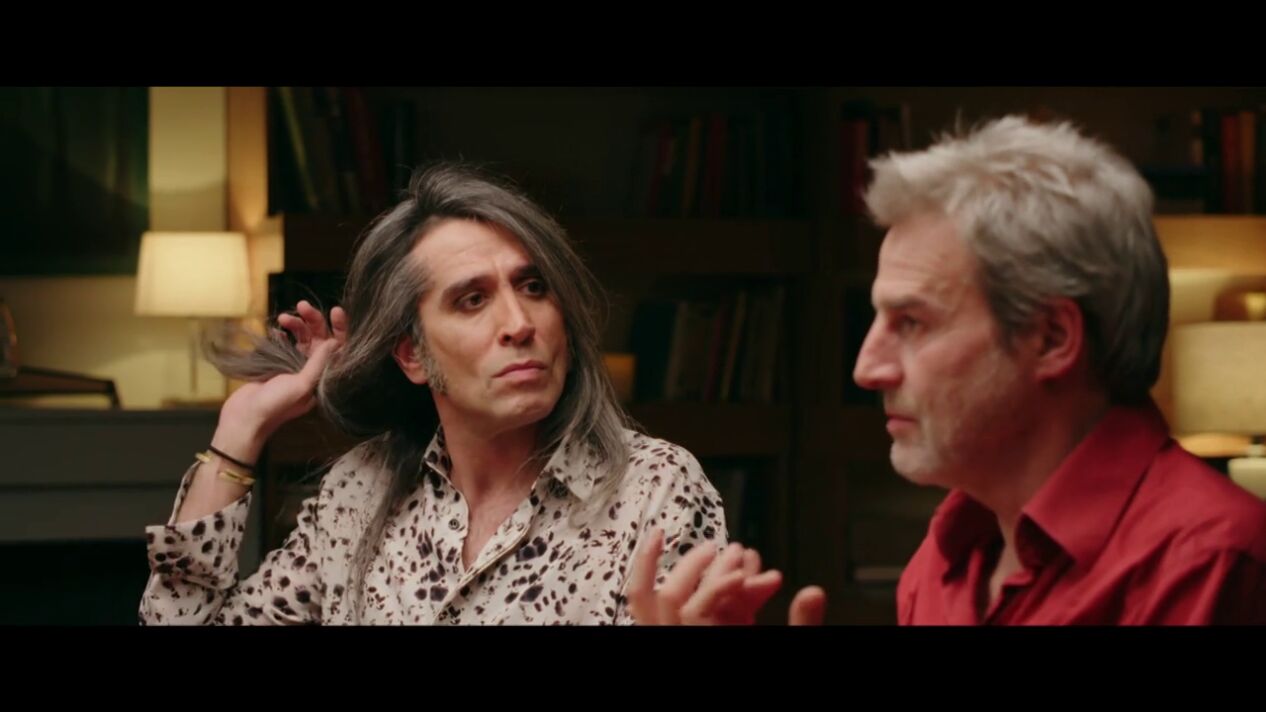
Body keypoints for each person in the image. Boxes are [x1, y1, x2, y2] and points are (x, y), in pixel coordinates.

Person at [634, 115, 1266, 625]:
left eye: (912, 322)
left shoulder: (1214, 562)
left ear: (1052, 338)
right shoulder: (943, 559)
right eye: (877, 320)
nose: (867, 369)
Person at [139, 163, 738, 625]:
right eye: (472, 300)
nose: (519, 323)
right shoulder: (359, 493)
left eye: (534, 286)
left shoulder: (653, 488)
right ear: (412, 355)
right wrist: (238, 435)